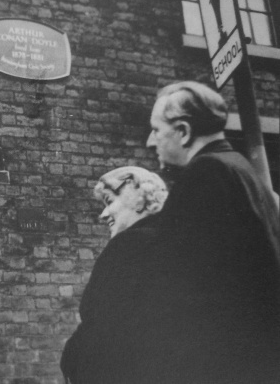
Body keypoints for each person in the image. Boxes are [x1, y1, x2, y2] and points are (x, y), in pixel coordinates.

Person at [144, 81, 280, 383]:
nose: (150, 142)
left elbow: (184, 288)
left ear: (183, 131)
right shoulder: (241, 169)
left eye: (156, 130)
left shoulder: (204, 175)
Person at [60, 166, 168, 384]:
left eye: (109, 201)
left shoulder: (127, 246)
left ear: (139, 200)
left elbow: (101, 323)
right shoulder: (170, 246)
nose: (103, 214)